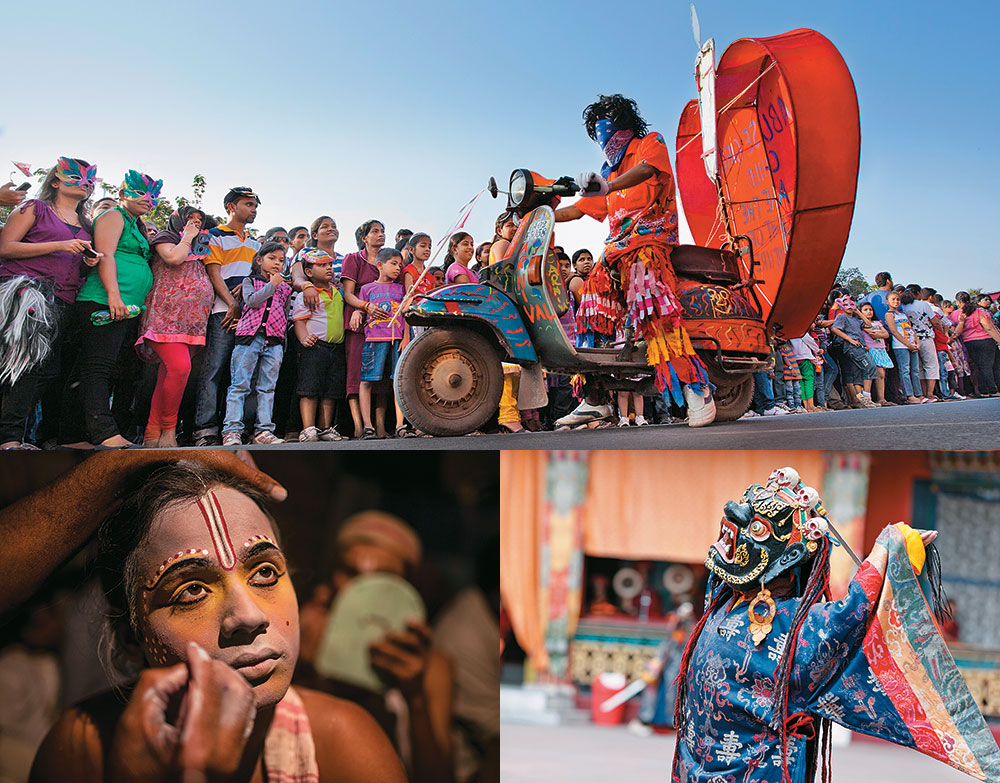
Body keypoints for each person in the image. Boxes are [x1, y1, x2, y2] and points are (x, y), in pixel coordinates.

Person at [28, 461, 406, 783]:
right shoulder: (80, 750)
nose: (249, 616)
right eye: (191, 591)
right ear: (131, 638)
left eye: (264, 573)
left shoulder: (346, 747)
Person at [672, 468, 1000, 783]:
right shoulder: (789, 627)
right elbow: (853, 613)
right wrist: (891, 548)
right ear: (790, 563)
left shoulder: (718, 609)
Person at [554, 94, 714, 426]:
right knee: (591, 311)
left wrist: (607, 185)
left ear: (624, 124)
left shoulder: (648, 144)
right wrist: (541, 214)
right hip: (615, 252)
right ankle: (595, 397)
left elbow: (646, 171)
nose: (604, 137)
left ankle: (697, 390)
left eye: (607, 126)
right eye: (598, 130)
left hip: (649, 246)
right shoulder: (606, 170)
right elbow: (582, 209)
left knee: (654, 310)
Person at [298, 511, 455, 783]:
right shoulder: (305, 636)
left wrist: (416, 700)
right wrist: (302, 664)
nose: (362, 588)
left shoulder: (432, 667)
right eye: (351, 573)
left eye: (382, 577)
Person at [0, 157, 100, 449]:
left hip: (64, 300)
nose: (85, 183)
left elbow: (76, 266)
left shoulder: (86, 223)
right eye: (76, 177)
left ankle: (27, 436)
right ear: (55, 181)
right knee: (24, 367)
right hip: (27, 295)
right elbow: (5, 247)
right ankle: (9, 439)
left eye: (89, 179)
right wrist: (60, 245)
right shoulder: (34, 208)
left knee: (47, 372)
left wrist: (88, 262)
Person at [62, 170, 160, 448]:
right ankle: (105, 433)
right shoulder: (113, 216)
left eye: (153, 195)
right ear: (122, 194)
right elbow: (104, 256)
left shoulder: (135, 222)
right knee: (98, 368)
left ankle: (72, 436)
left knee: (84, 369)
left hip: (125, 306)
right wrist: (114, 296)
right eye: (140, 192)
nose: (148, 199)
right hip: (103, 300)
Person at [137, 206, 217, 447]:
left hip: (192, 323)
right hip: (165, 319)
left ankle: (152, 434)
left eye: (199, 220)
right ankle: (169, 431)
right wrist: (187, 237)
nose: (195, 223)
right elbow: (174, 258)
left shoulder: (203, 245)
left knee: (168, 376)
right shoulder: (167, 237)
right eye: (189, 218)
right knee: (180, 368)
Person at [193, 186, 261, 446]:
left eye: (255, 206)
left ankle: (239, 427)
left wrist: (243, 297)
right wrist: (232, 304)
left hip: (250, 316)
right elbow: (214, 273)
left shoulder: (256, 244)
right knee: (214, 369)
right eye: (247, 204)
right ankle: (205, 428)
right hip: (221, 313)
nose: (253, 210)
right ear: (231, 207)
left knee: (246, 374)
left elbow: (258, 278)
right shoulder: (214, 236)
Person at [221, 241, 293, 446]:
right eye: (272, 259)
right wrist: (273, 285)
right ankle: (232, 430)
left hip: (274, 341)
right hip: (250, 339)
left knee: (267, 387)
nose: (277, 264)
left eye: (281, 260)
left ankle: (263, 430)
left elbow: (285, 313)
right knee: (240, 385)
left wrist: (282, 344)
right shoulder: (249, 281)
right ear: (259, 260)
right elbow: (252, 301)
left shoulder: (285, 289)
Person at [351, 248, 410, 439]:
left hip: (396, 340)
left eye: (399, 265)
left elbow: (407, 315)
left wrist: (406, 336)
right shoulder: (367, 289)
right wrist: (356, 312)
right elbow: (361, 308)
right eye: (393, 263)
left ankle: (400, 424)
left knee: (397, 381)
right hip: (374, 340)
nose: (397, 268)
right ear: (379, 265)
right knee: (367, 380)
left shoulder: (401, 289)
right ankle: (368, 425)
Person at [292, 249, 346, 442]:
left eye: (330, 265)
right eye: (322, 265)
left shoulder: (338, 292)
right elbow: (298, 320)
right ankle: (308, 428)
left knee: (331, 390)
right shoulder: (307, 295)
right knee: (309, 389)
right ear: (308, 272)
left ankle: (325, 427)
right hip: (315, 347)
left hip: (336, 348)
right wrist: (304, 338)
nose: (328, 268)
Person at [341, 219, 385, 437]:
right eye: (375, 231)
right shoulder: (353, 259)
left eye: (382, 231)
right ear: (363, 237)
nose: (380, 234)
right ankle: (359, 425)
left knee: (380, 375)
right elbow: (348, 294)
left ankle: (380, 425)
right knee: (356, 373)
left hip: (383, 324)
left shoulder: (387, 260)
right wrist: (364, 307)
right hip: (358, 321)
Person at [828, 295, 878, 408]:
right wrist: (850, 339)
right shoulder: (842, 317)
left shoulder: (855, 319)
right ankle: (866, 396)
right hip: (852, 347)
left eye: (851, 304)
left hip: (859, 346)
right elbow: (835, 329)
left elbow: (868, 324)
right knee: (869, 367)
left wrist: (858, 312)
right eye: (846, 304)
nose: (849, 307)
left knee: (859, 373)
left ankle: (864, 398)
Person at [884, 290, 923, 403]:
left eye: (898, 299)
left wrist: (917, 342)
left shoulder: (903, 314)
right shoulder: (889, 315)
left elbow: (911, 329)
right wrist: (907, 344)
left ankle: (918, 394)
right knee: (904, 370)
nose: (896, 301)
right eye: (893, 299)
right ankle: (909, 395)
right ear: (887, 301)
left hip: (912, 343)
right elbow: (894, 332)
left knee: (915, 370)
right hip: (901, 346)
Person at [858, 302, 893, 405]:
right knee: (877, 373)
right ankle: (872, 397)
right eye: (865, 310)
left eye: (870, 309)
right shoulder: (861, 323)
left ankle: (882, 398)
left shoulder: (877, 323)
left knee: (882, 374)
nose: (869, 312)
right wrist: (880, 334)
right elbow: (872, 334)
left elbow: (886, 334)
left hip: (881, 349)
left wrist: (879, 334)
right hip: (871, 349)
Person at [402, 232, 436, 299]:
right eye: (423, 246)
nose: (427, 249)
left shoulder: (431, 277)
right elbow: (409, 296)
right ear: (411, 250)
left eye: (429, 247)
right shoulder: (409, 271)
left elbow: (433, 297)